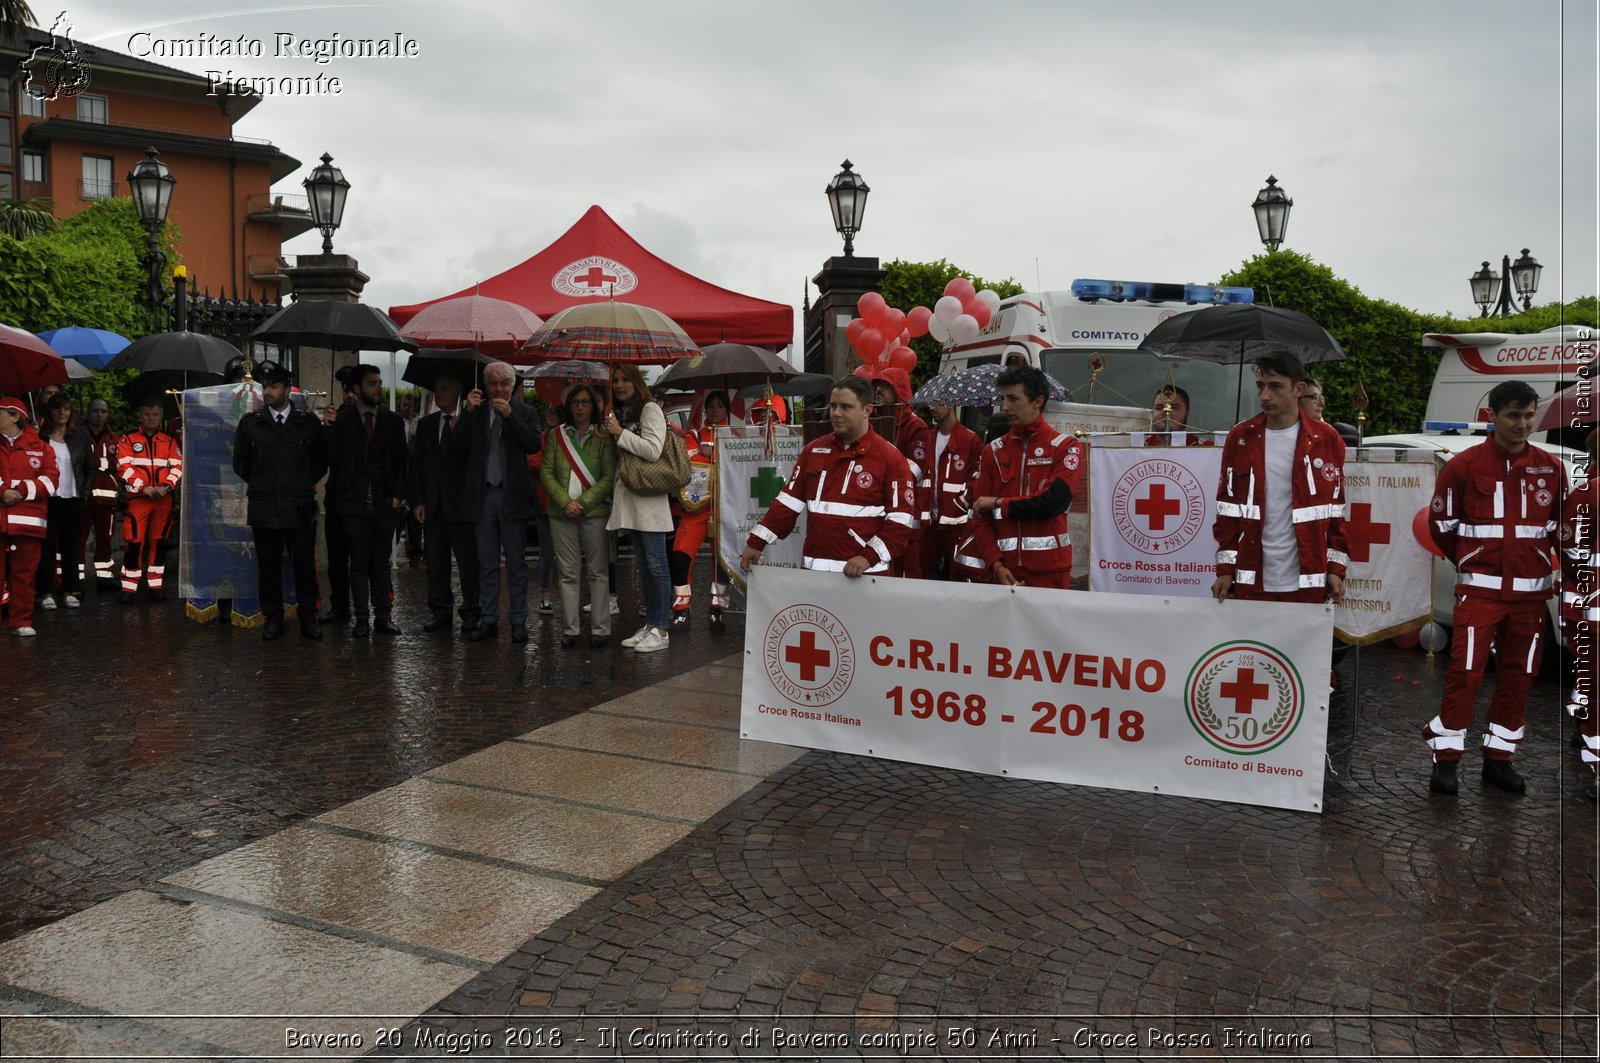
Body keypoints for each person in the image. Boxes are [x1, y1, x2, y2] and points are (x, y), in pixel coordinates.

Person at [1423, 379, 1565, 796]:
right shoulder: (1462, 467)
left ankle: (1499, 760)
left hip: (1530, 598)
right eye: (1513, 415)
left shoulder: (1551, 469)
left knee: (1519, 676)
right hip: (1479, 594)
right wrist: (1472, 562)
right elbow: (1442, 528)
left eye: (1528, 415)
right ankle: (1446, 761)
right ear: (1492, 416)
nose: (1522, 424)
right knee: (1465, 673)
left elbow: (1561, 532)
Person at [740, 375, 915, 580]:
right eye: (833, 406)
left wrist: (868, 558)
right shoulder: (813, 451)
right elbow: (787, 504)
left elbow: (901, 522)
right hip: (815, 576)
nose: (836, 414)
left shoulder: (890, 458)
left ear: (867, 410)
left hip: (866, 578)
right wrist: (756, 542)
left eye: (846, 407)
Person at [1211, 350, 1348, 606]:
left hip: (1308, 580)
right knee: (1251, 648)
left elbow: (1335, 512)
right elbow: (1227, 512)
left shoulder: (1327, 440)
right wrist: (1226, 570)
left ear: (1299, 389)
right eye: (1260, 386)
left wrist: (1335, 569)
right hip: (1252, 579)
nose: (1264, 396)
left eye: (1275, 386)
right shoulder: (1240, 438)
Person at [960, 365, 1084, 590]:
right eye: (1003, 398)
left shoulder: (1066, 447)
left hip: (1050, 572)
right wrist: (996, 564)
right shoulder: (992, 451)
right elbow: (981, 516)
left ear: (1038, 400)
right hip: (1003, 572)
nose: (1004, 407)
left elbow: (1054, 502)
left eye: (1013, 399)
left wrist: (999, 503)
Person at [232, 360, 328, 641]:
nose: (268, 392)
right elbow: (241, 463)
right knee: (269, 567)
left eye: (274, 386)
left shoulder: (306, 423)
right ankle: (273, 618)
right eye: (265, 386)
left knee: (304, 566)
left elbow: (320, 460)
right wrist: (263, 484)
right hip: (265, 506)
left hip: (299, 506)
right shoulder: (251, 424)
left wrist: (300, 484)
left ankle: (308, 616)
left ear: (288, 390)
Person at [457, 361, 542, 644]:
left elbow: (533, 444)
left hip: (512, 496)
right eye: (492, 384)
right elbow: (458, 446)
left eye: (503, 384)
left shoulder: (526, 412)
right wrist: (467, 411)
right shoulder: (476, 412)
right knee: (487, 562)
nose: (497, 389)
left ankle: (518, 621)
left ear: (513, 386)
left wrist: (510, 417)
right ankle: (489, 619)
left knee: (517, 563)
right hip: (483, 496)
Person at [324, 364, 408, 637]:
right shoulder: (344, 419)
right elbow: (333, 460)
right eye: (372, 383)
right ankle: (361, 618)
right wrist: (330, 428)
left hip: (384, 504)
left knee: (380, 563)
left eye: (380, 382)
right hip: (353, 504)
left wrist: (399, 495)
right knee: (358, 564)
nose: (378, 388)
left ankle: (382, 616)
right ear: (357, 389)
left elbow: (400, 462)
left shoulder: (392, 421)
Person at [603, 363, 676, 653]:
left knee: (657, 565)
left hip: (649, 500)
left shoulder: (650, 410)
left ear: (636, 382)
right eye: (615, 380)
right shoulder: (627, 413)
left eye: (624, 380)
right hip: (633, 499)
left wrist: (620, 432)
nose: (619, 385)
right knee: (644, 566)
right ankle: (650, 624)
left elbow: (653, 449)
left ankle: (661, 628)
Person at [542, 383, 616, 648]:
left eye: (586, 402)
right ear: (568, 406)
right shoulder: (556, 435)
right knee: (568, 573)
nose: (581, 406)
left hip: (594, 512)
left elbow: (609, 477)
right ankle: (571, 629)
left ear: (593, 406)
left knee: (598, 572)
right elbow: (546, 472)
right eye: (576, 402)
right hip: (561, 514)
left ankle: (600, 629)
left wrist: (582, 503)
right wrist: (565, 502)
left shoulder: (604, 435)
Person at [411, 371, 480, 636]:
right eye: (437, 389)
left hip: (462, 506)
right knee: (436, 563)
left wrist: (463, 424)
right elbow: (417, 465)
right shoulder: (427, 424)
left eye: (445, 388)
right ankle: (440, 612)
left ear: (458, 392)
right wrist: (418, 500)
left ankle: (472, 612)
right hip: (433, 505)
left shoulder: (470, 420)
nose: (439, 393)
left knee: (467, 563)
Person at [670, 390, 732, 629]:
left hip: (725, 507)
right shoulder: (693, 434)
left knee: (722, 563)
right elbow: (690, 463)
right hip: (696, 507)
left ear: (727, 409)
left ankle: (718, 608)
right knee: (681, 556)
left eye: (720, 405)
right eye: (711, 406)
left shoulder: (736, 436)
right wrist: (713, 454)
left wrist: (712, 452)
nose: (715, 410)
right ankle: (681, 609)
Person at [1560, 428, 1598, 800]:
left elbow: (1571, 548)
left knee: (1585, 671)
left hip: (1580, 603)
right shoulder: (1586, 494)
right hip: (1585, 604)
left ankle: (1582, 725)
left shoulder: (1584, 494)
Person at [116, 395, 183, 602]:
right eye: (147, 414)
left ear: (161, 416)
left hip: (163, 499)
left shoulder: (170, 442)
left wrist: (165, 487)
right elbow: (123, 468)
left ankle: (156, 585)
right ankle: (129, 588)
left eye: (155, 414)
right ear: (140, 416)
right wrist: (143, 488)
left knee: (159, 542)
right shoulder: (128, 440)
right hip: (139, 499)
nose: (151, 418)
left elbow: (178, 468)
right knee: (134, 542)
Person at [0, 397, 57, 636]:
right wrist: (2, 492)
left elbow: (50, 481)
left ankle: (21, 622)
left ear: (15, 416)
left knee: (24, 574)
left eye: (1, 412)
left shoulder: (42, 447)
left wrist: (19, 492)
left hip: (28, 522)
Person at [872, 368, 934, 577]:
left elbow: (914, 471)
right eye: (877, 385)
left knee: (906, 575)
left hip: (906, 517)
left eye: (885, 385)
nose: (878, 390)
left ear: (899, 390)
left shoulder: (916, 427)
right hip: (876, 515)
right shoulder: (873, 420)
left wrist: (878, 476)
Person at [35, 393, 90, 612]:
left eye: (66, 409)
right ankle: (46, 591)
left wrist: (84, 492)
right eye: (58, 408)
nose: (62, 413)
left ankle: (70, 590)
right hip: (49, 498)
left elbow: (88, 467)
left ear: (71, 412)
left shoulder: (79, 436)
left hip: (73, 496)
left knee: (71, 546)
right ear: (50, 411)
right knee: (46, 546)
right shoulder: (40, 437)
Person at [917, 402, 984, 580]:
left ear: (952, 405)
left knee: (959, 574)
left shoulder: (970, 440)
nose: (931, 407)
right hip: (929, 521)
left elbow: (976, 479)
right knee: (918, 571)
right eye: (930, 403)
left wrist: (958, 505)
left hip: (957, 522)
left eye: (937, 403)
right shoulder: (927, 438)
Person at [318, 369, 359, 624]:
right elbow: (329, 458)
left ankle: (373, 607)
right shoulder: (338, 418)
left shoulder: (371, 418)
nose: (351, 395)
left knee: (364, 560)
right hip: (337, 498)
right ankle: (340, 606)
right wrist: (328, 428)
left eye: (355, 389)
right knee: (336, 559)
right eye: (347, 390)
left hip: (362, 499)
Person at [80, 399, 121, 590]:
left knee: (105, 539)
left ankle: (104, 577)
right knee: (79, 538)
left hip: (106, 498)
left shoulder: (114, 439)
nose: (99, 414)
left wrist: (100, 463)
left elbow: (122, 464)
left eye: (103, 411)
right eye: (95, 410)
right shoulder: (78, 435)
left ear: (108, 414)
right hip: (82, 497)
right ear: (88, 413)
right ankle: (76, 577)